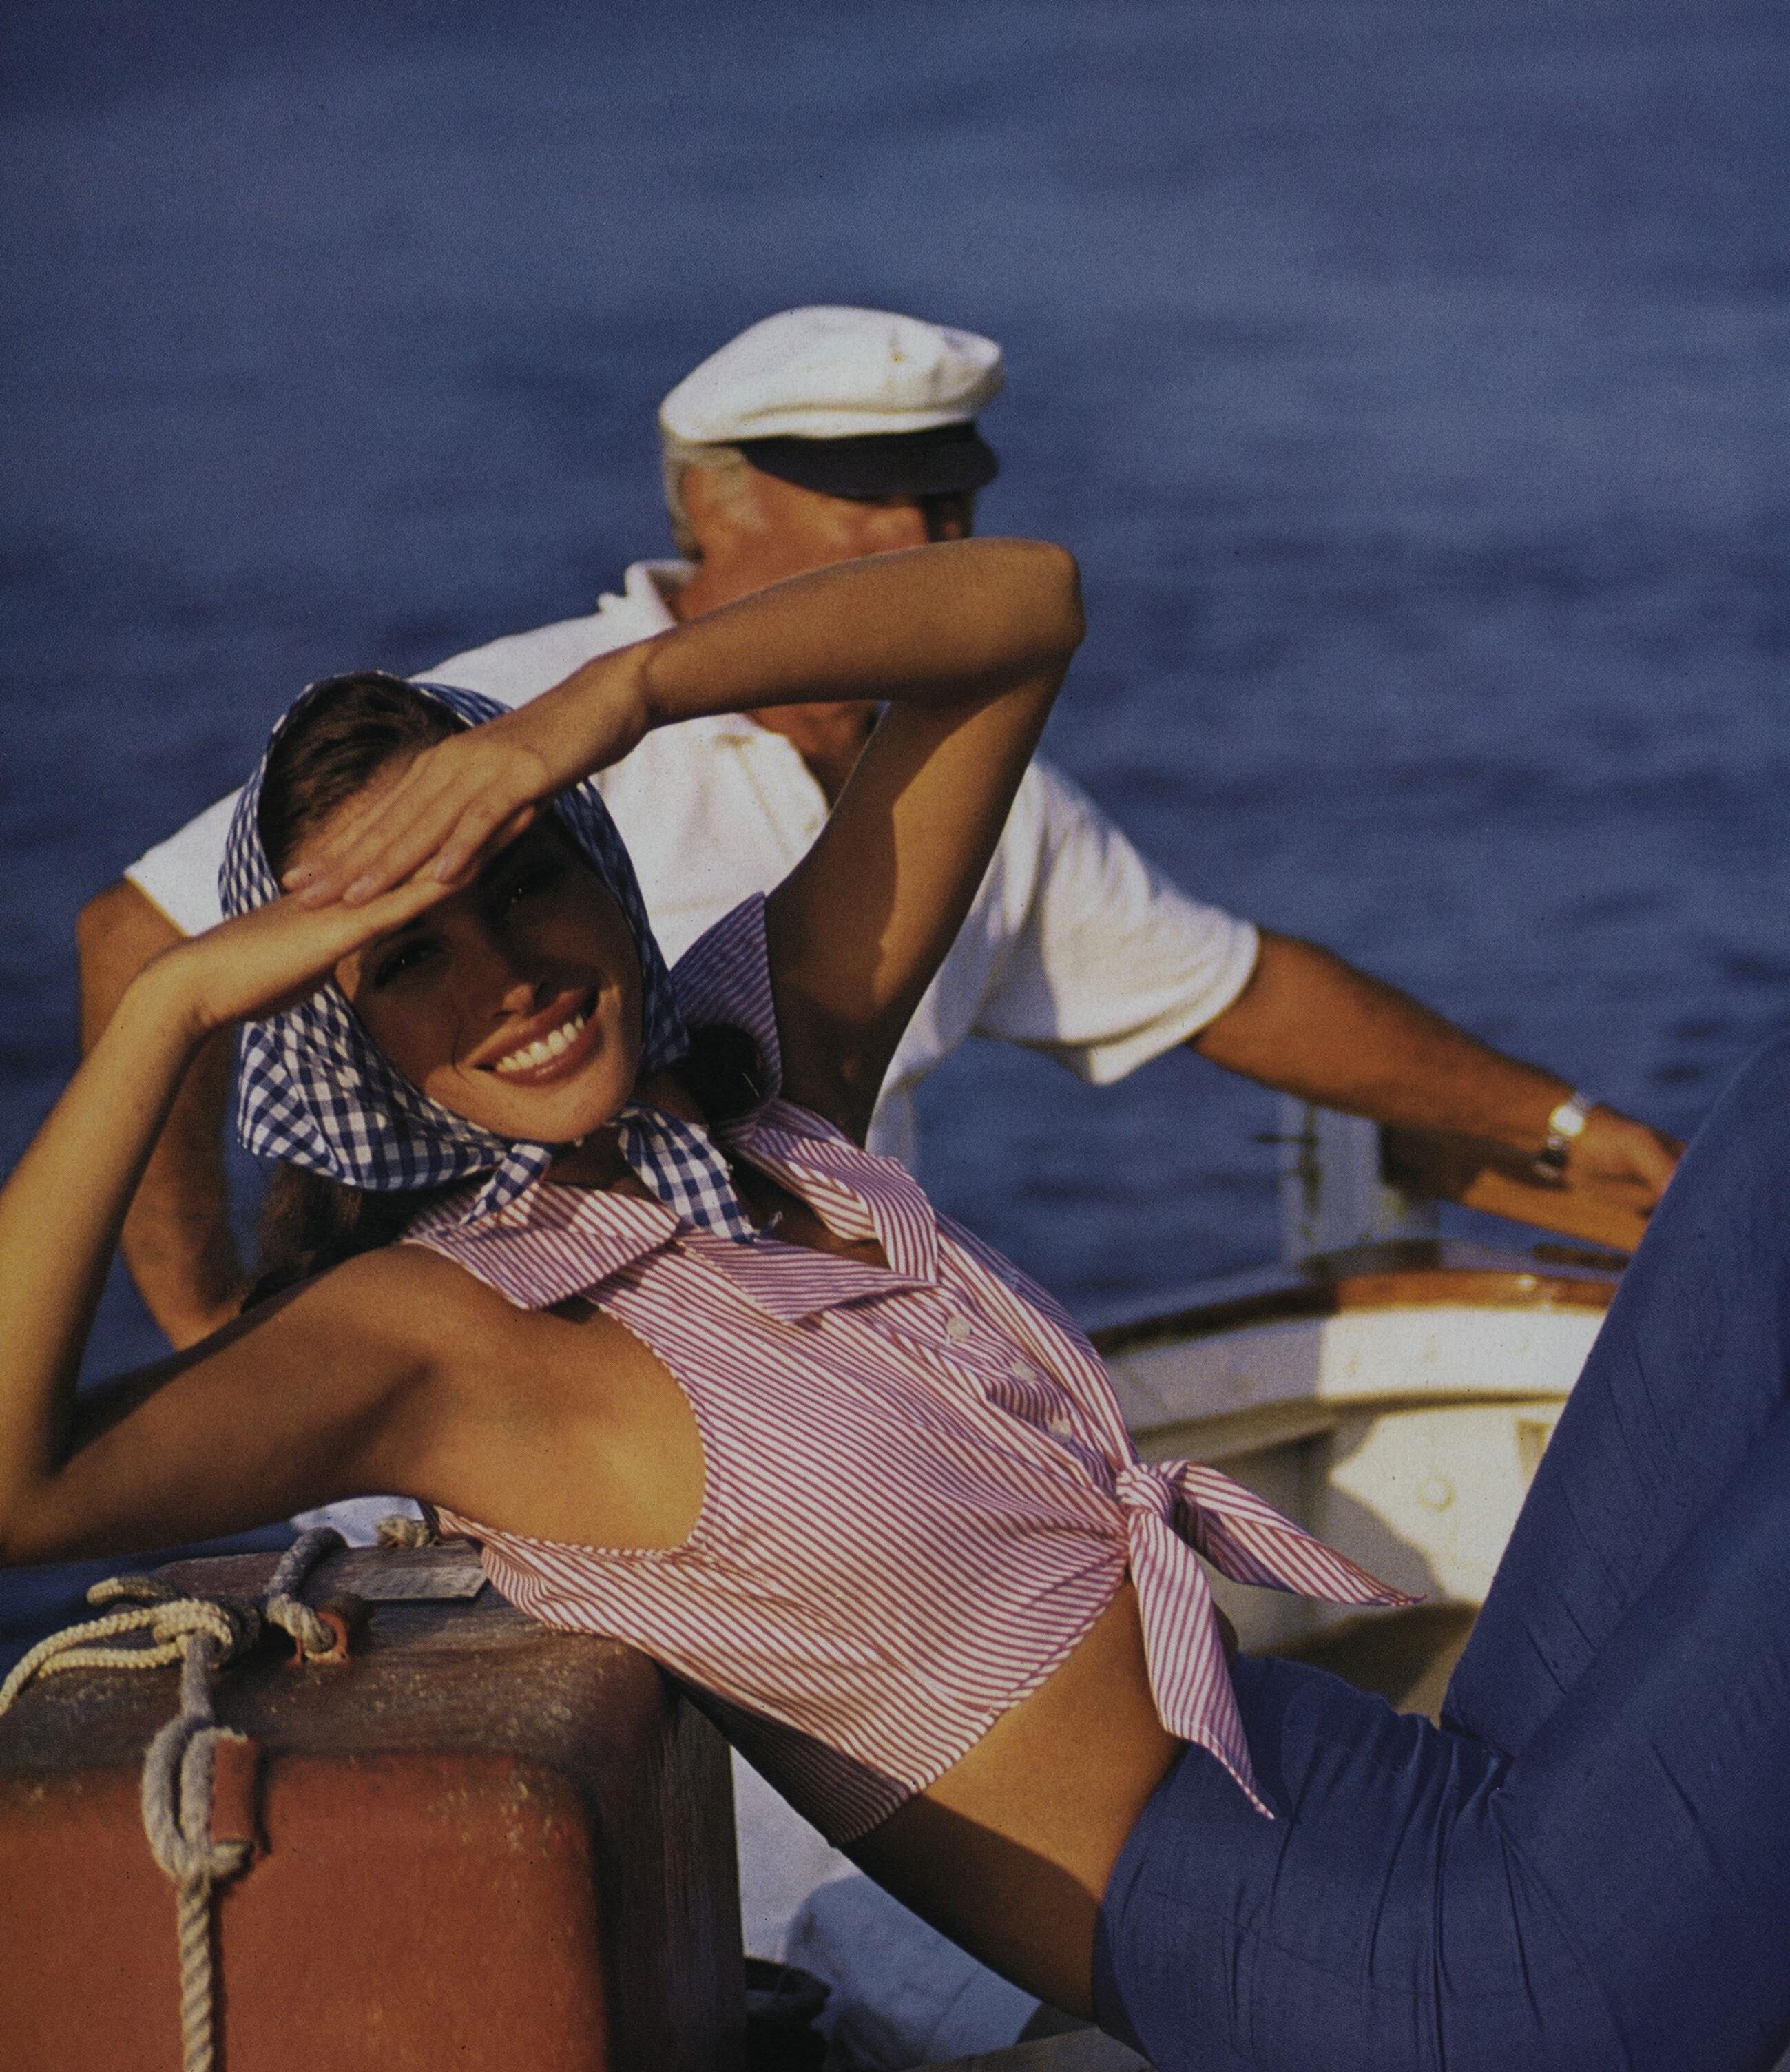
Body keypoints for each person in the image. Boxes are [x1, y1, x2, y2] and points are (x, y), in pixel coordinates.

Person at [7, 539, 1789, 2072]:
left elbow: (1027, 612)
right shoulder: (450, 1339)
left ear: (597, 860)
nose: (513, 975)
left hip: (1426, 1799)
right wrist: (168, 1009)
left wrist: (617, 699)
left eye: (527, 873)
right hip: (1442, 2007)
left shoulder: (759, 1075)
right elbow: (19, 1491)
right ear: (349, 1033)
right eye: (410, 957)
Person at [79, 304, 1679, 1354]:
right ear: (709, 504)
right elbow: (139, 935)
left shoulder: (956, 796)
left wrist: (1558, 1125)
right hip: (486, 1446)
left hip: (800, 1425)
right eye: (865, 495)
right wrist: (212, 1320)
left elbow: (1231, 990)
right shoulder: (499, 739)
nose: (920, 535)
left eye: (946, 499)